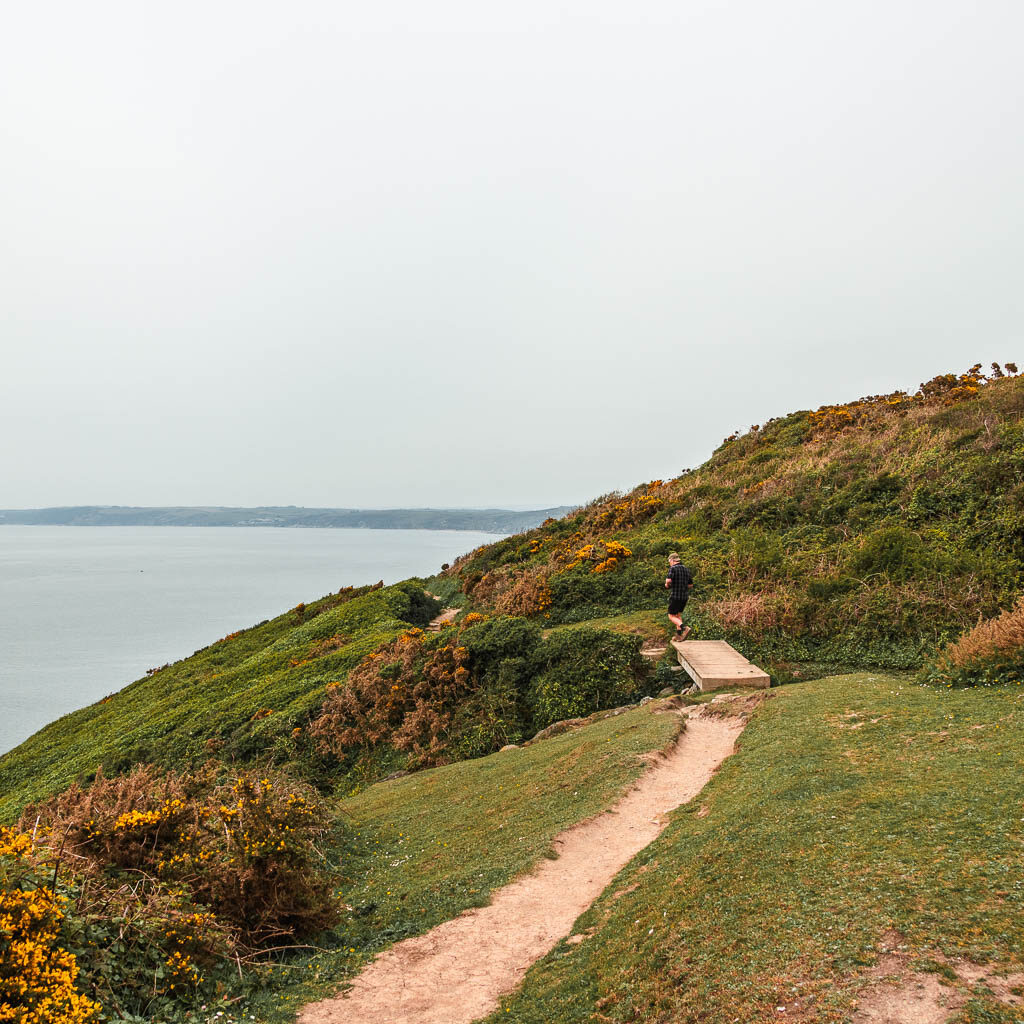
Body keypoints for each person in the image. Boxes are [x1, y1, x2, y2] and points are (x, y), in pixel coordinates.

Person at [665, 552, 693, 640]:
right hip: (684, 597)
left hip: (676, 596)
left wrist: (667, 584)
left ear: (672, 560)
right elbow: (690, 585)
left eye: (669, 561)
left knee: (671, 616)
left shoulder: (673, 568)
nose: (670, 563)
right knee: (677, 615)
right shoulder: (686, 569)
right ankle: (679, 635)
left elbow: (668, 580)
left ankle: (684, 628)